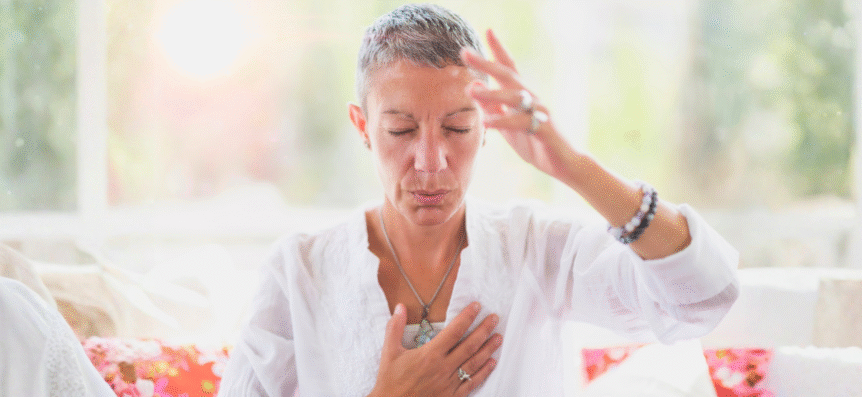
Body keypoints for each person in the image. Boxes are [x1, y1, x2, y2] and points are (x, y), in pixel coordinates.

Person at [218, 3, 739, 396]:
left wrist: (572, 166)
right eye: (401, 129)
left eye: (457, 127)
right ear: (363, 127)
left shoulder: (537, 249)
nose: (430, 160)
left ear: (486, 125)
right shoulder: (298, 273)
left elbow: (703, 296)